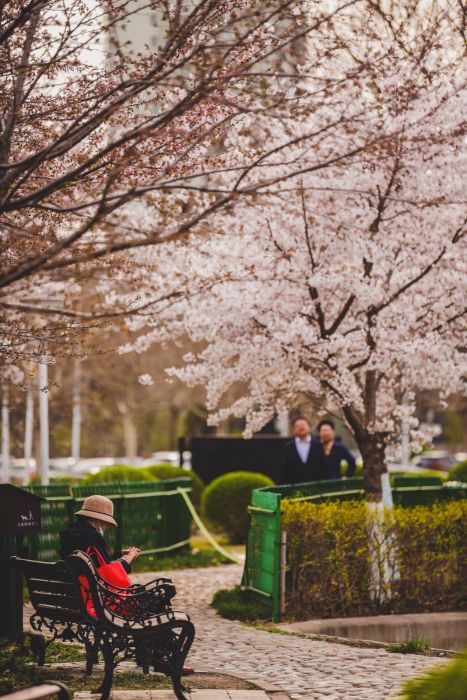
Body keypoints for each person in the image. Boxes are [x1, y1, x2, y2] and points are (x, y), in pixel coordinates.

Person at [59, 494, 194, 675]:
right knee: (155, 600)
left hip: (83, 598)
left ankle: (149, 655)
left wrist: (117, 557)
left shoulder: (73, 535)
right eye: (105, 522)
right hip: (100, 603)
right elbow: (109, 579)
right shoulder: (91, 538)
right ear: (94, 519)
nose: (106, 526)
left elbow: (97, 567)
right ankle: (163, 658)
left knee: (143, 594)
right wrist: (128, 560)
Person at [279, 416, 318, 484]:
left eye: (303, 425)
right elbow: (285, 469)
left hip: (316, 485)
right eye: (297, 426)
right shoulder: (288, 447)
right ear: (293, 429)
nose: (301, 428)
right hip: (295, 486)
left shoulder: (318, 445)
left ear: (309, 427)